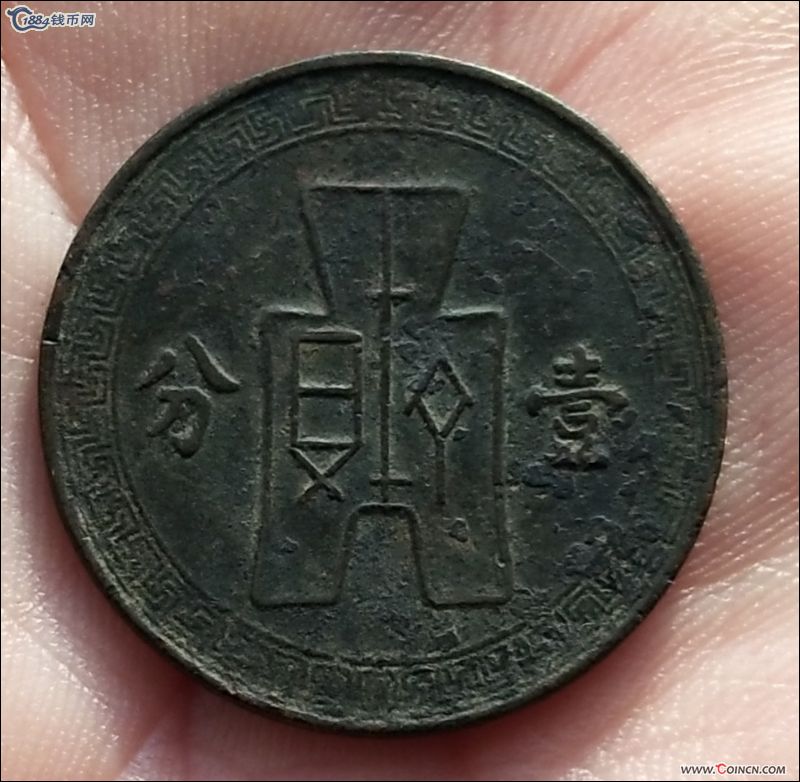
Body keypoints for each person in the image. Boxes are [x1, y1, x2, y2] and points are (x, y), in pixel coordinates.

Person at [2, 2, 797, 779]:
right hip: (331, 507)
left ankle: (416, 566)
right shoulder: (312, 340)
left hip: (437, 503)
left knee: (432, 535)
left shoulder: (459, 340)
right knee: (331, 533)